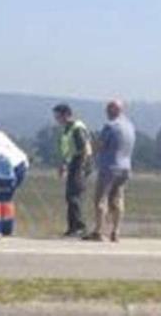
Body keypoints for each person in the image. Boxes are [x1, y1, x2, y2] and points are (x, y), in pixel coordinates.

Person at [85, 100, 136, 242]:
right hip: (125, 166)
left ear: (115, 110)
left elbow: (100, 145)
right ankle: (116, 231)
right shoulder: (130, 126)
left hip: (109, 166)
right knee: (118, 199)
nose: (106, 112)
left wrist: (91, 151)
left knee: (101, 199)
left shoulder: (110, 126)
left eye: (108, 109)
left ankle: (98, 231)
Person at [53, 104, 92, 237]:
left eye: (58, 116)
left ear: (66, 115)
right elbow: (68, 150)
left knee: (74, 196)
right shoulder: (67, 129)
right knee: (70, 196)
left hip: (79, 162)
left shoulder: (77, 128)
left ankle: (80, 227)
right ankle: (72, 226)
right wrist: (64, 164)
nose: (57, 119)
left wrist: (82, 167)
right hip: (73, 162)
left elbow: (84, 148)